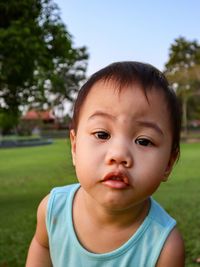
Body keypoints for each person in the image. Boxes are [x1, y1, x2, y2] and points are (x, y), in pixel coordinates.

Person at [26, 61, 185, 266]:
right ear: (75, 147)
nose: (118, 154)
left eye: (144, 141)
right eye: (102, 134)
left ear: (168, 164)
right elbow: (43, 246)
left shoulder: (166, 247)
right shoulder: (52, 209)